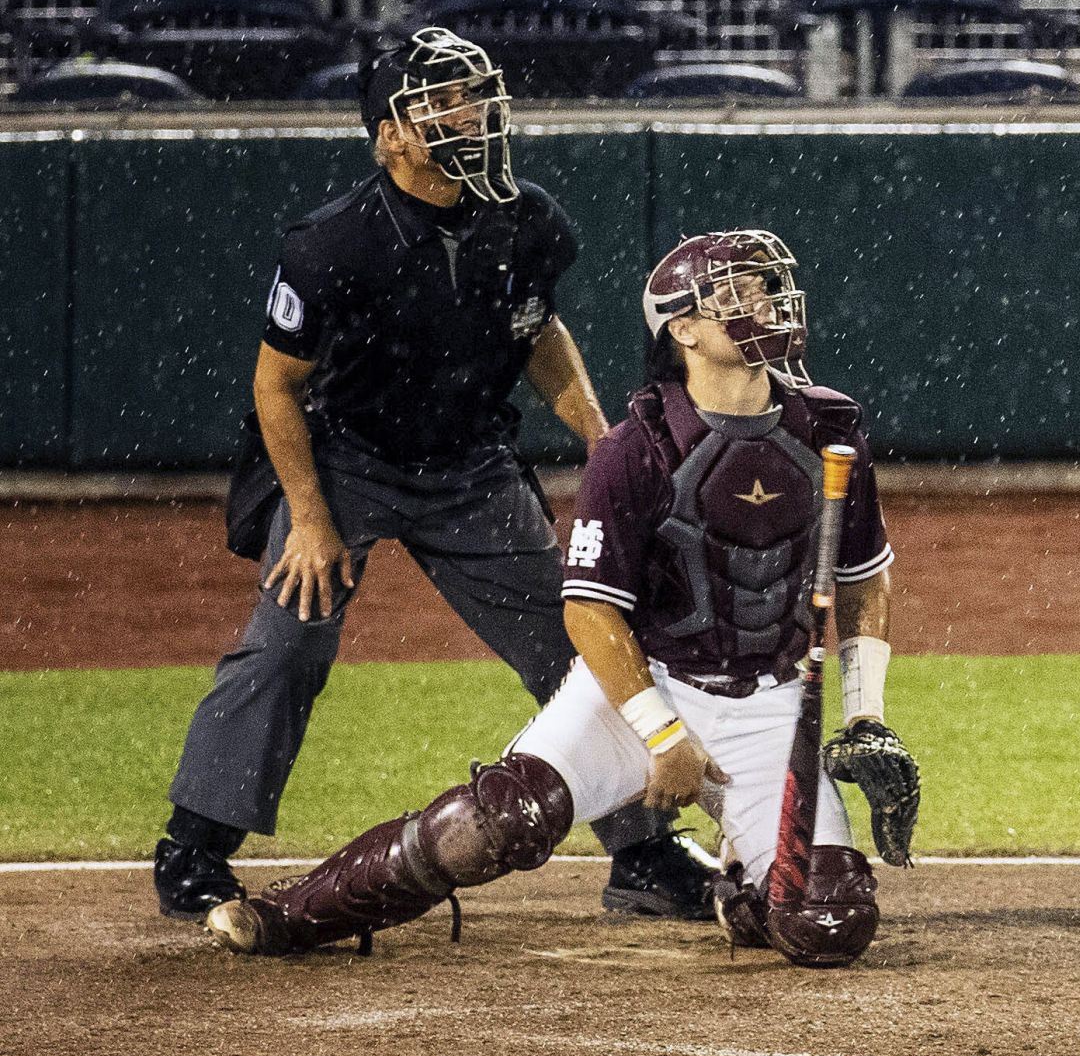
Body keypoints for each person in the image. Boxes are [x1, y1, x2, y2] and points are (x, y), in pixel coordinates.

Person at [203, 229, 920, 968]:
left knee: (830, 921)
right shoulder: (637, 449)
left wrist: (866, 711)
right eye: (736, 291)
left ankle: (745, 890)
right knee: (496, 822)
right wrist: (664, 736)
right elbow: (588, 609)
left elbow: (865, 574)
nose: (765, 301)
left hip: (768, 703)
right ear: (685, 330)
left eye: (766, 285)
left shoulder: (829, 428)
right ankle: (290, 913)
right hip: (648, 684)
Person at [153, 26, 721, 927]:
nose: (473, 113)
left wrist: (605, 442)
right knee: (291, 638)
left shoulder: (527, 218)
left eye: (476, 93)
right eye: (442, 102)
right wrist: (308, 516)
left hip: (472, 464)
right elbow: (275, 386)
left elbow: (539, 336)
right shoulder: (331, 244)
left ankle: (643, 852)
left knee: (580, 641)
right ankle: (193, 849)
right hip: (345, 458)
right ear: (389, 137)